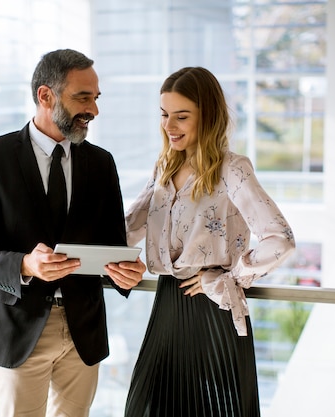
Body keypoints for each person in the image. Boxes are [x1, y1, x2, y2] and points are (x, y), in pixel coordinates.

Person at [0, 48, 145, 417]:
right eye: (83, 97)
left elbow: (112, 247)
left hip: (83, 332)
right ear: (46, 96)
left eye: (95, 98)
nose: (93, 109)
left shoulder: (101, 163)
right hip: (18, 330)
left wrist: (127, 275)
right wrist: (25, 264)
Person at [123, 67, 296, 417]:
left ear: (209, 115)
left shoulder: (233, 169)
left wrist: (228, 278)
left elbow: (280, 240)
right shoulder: (164, 169)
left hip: (213, 307)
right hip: (167, 305)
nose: (169, 126)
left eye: (181, 117)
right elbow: (128, 229)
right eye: (164, 115)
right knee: (145, 408)